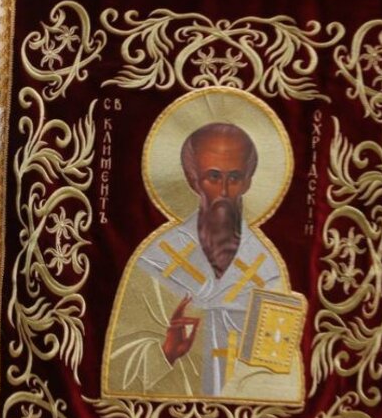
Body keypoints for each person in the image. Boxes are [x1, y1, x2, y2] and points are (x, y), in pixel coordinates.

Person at [105, 122, 305, 402]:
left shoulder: (265, 267)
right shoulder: (155, 259)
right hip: (170, 413)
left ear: (248, 181)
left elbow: (281, 375)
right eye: (213, 176)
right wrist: (166, 352)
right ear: (192, 179)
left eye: (234, 177)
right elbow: (115, 367)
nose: (223, 191)